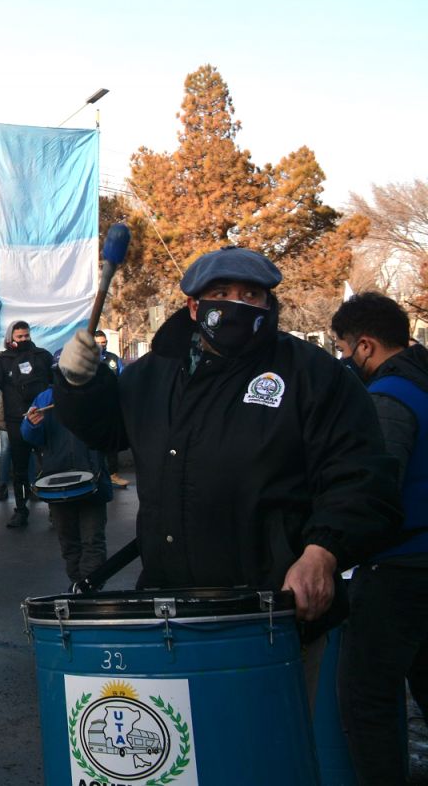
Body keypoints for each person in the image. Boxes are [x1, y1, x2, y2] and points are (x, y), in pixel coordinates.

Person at [53, 247, 398, 631]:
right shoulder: (153, 373)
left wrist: (323, 553)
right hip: (169, 607)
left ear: (269, 302)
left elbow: (360, 475)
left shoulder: (314, 375)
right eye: (221, 294)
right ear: (194, 306)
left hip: (275, 611)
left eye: (251, 295)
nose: (237, 304)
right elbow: (106, 431)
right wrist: (77, 385)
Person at [330, 291, 428, 784]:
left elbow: (376, 491)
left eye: (345, 347)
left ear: (365, 345)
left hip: (399, 569)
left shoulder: (389, 399)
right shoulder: (423, 383)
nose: (345, 359)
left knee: (367, 699)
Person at [21, 387, 110, 587]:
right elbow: (28, 436)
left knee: (92, 540)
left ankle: (89, 589)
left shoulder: (96, 391)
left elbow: (112, 431)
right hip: (57, 483)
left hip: (92, 481)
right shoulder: (44, 397)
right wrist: (31, 424)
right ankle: (79, 586)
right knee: (69, 544)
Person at [0, 320, 54, 528]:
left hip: (43, 419)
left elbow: (56, 384)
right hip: (16, 422)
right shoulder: (2, 361)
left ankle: (55, 509)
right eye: (19, 337)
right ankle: (21, 510)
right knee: (20, 470)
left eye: (26, 336)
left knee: (50, 466)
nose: (23, 340)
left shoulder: (42, 356)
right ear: (10, 338)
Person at [93, 329, 130, 489]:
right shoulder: (86, 359)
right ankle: (96, 474)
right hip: (93, 409)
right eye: (98, 343)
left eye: (104, 343)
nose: (102, 346)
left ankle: (113, 474)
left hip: (111, 407)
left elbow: (122, 378)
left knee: (111, 443)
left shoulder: (113, 359)